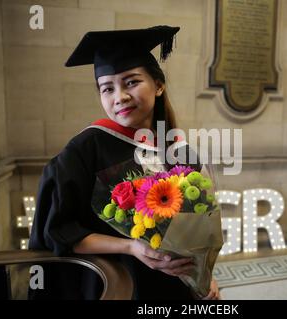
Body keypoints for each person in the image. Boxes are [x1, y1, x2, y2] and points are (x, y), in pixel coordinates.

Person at [28, 25, 220, 300]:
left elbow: (199, 229)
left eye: (131, 82)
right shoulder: (85, 149)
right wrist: (131, 246)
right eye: (108, 88)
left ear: (158, 85)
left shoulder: (179, 150)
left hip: (178, 285)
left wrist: (206, 276)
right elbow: (58, 232)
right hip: (120, 285)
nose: (120, 97)